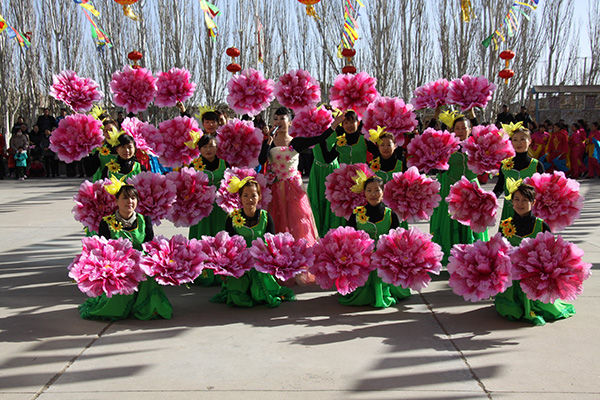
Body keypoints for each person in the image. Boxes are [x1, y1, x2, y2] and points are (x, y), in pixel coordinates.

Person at [79, 184, 172, 320]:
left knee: (148, 274)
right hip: (117, 266)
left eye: (133, 198)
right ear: (116, 201)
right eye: (125, 198)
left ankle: (145, 307)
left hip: (140, 264)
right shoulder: (106, 222)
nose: (130, 201)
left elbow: (149, 246)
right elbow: (103, 250)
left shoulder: (144, 220)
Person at [494, 184, 575, 326]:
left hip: (534, 274)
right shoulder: (505, 224)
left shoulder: (541, 225)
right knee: (508, 308)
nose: (520, 204)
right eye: (516, 199)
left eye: (524, 200)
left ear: (533, 203)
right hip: (513, 275)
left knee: (544, 307)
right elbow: (499, 249)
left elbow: (551, 252)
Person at [211, 179, 295, 307]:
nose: (249, 199)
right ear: (240, 197)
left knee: (259, 295)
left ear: (259, 197)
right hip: (240, 265)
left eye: (253, 195)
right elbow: (228, 246)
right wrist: (225, 270)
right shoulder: (232, 218)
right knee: (239, 299)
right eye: (245, 195)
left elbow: (272, 244)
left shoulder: (266, 217)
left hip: (259, 265)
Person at [430, 111, 489, 264]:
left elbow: (483, 135)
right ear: (453, 129)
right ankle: (451, 254)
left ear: (470, 129)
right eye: (457, 128)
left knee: (471, 222)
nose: (461, 131)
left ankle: (472, 254)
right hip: (451, 189)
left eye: (464, 128)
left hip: (471, 190)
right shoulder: (447, 145)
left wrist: (473, 114)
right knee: (451, 221)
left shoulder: (476, 145)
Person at [342, 176, 411, 307]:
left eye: (377, 190)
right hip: (362, 261)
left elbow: (397, 241)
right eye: (369, 190)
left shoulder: (391, 215)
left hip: (385, 260)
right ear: (364, 193)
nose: (373, 194)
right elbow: (348, 239)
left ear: (383, 192)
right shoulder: (356, 214)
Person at [188, 134, 229, 286]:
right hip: (202, 210)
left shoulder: (225, 164)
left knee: (220, 238)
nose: (208, 149)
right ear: (199, 149)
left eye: (211, 146)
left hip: (220, 208)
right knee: (202, 237)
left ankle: (220, 273)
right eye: (204, 147)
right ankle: (204, 273)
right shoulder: (194, 165)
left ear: (217, 147)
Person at [493, 125, 544, 222]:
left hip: (529, 212)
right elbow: (500, 187)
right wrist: (489, 200)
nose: (518, 143)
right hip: (509, 211)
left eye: (522, 139)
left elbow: (542, 191)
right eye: (515, 140)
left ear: (530, 141)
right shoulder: (505, 164)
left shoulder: (537, 165)